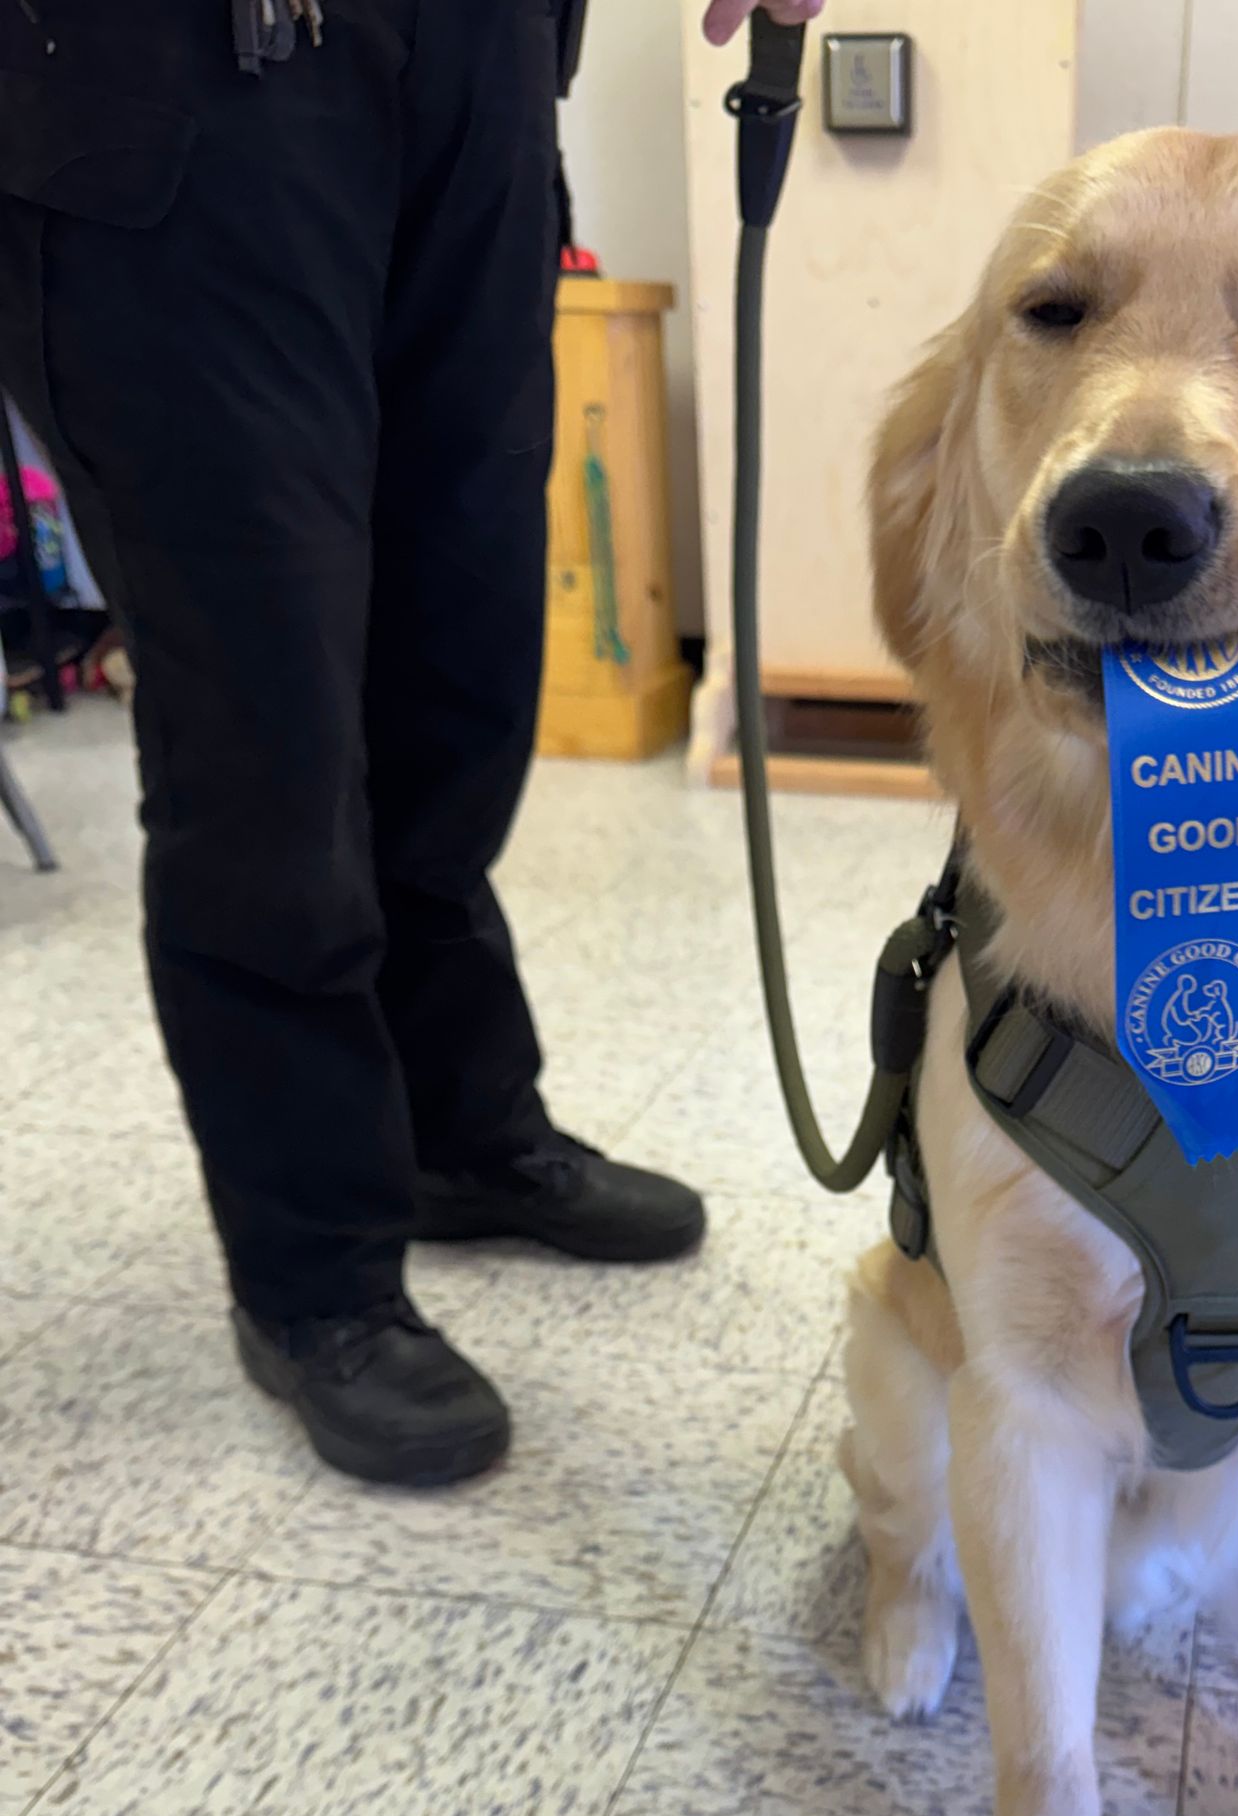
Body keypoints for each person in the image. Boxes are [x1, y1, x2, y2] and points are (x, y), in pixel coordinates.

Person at [0, 0, 822, 1487]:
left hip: (473, 57)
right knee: (269, 725)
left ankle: (457, 1126)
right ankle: (313, 1269)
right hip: (172, 75)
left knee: (465, 661)